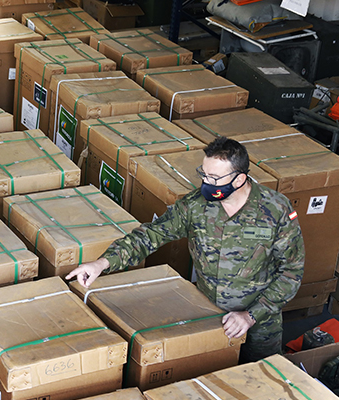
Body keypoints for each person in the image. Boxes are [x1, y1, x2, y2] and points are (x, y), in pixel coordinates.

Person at [66, 136, 305, 363]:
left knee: (260, 381)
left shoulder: (275, 210)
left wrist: (251, 315)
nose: (207, 183)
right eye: (204, 174)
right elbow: (151, 235)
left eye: (214, 178)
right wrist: (102, 263)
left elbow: (291, 272)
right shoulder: (195, 207)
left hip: (261, 322)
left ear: (240, 179)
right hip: (210, 316)